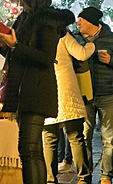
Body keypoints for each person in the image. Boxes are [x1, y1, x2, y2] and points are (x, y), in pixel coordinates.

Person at [0, 0, 73, 184]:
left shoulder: (46, 22)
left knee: (28, 149)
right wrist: (4, 44)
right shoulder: (24, 19)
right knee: (33, 150)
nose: (20, 4)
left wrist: (15, 46)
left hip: (36, 91)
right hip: (24, 90)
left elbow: (46, 58)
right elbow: (18, 53)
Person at [77, 6, 113, 184]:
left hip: (107, 93)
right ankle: (85, 176)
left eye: (81, 20)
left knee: (109, 139)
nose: (78, 23)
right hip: (85, 95)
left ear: (92, 22)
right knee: (84, 137)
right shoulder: (77, 39)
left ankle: (106, 175)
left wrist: (112, 61)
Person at [42, 31, 94, 183]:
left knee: (49, 139)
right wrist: (91, 45)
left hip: (46, 89)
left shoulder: (36, 35)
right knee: (76, 137)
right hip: (66, 90)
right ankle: (84, 178)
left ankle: (50, 179)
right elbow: (82, 54)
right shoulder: (62, 35)